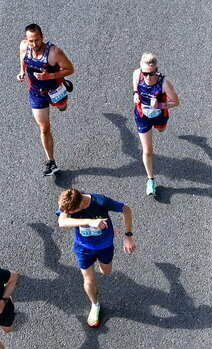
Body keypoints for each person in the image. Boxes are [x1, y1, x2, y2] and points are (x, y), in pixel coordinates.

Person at [56, 188, 135, 327]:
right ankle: (95, 305)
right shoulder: (69, 205)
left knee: (106, 271)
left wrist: (127, 236)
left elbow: (126, 209)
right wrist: (89, 222)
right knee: (89, 280)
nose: (67, 213)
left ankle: (101, 260)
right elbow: (62, 222)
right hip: (83, 248)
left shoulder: (100, 201)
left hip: (104, 246)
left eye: (70, 212)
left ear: (80, 205)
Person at [17, 23, 75, 176]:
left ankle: (64, 87)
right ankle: (51, 162)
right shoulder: (24, 46)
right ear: (26, 39)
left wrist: (50, 76)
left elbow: (70, 69)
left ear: (42, 37)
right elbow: (23, 58)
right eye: (31, 41)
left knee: (63, 108)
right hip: (36, 93)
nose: (34, 44)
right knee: (44, 127)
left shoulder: (54, 52)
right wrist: (22, 71)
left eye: (36, 40)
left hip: (55, 89)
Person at [132, 53, 180, 196]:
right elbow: (135, 82)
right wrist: (135, 93)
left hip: (159, 116)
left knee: (161, 130)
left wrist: (159, 105)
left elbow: (176, 102)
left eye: (151, 73)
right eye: (145, 73)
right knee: (147, 150)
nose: (147, 77)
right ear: (141, 70)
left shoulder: (164, 83)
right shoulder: (137, 74)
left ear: (157, 69)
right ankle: (151, 180)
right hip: (142, 117)